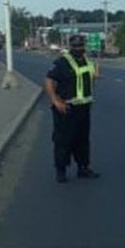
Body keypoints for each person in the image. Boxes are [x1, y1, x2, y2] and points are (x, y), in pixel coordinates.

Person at [44, 34, 100, 183]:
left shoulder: (88, 61)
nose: (79, 48)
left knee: (82, 140)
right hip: (66, 108)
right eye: (76, 46)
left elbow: (91, 80)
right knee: (63, 140)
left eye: (81, 46)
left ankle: (83, 168)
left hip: (83, 108)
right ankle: (60, 170)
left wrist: (90, 99)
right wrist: (56, 101)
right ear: (70, 46)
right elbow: (49, 81)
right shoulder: (62, 62)